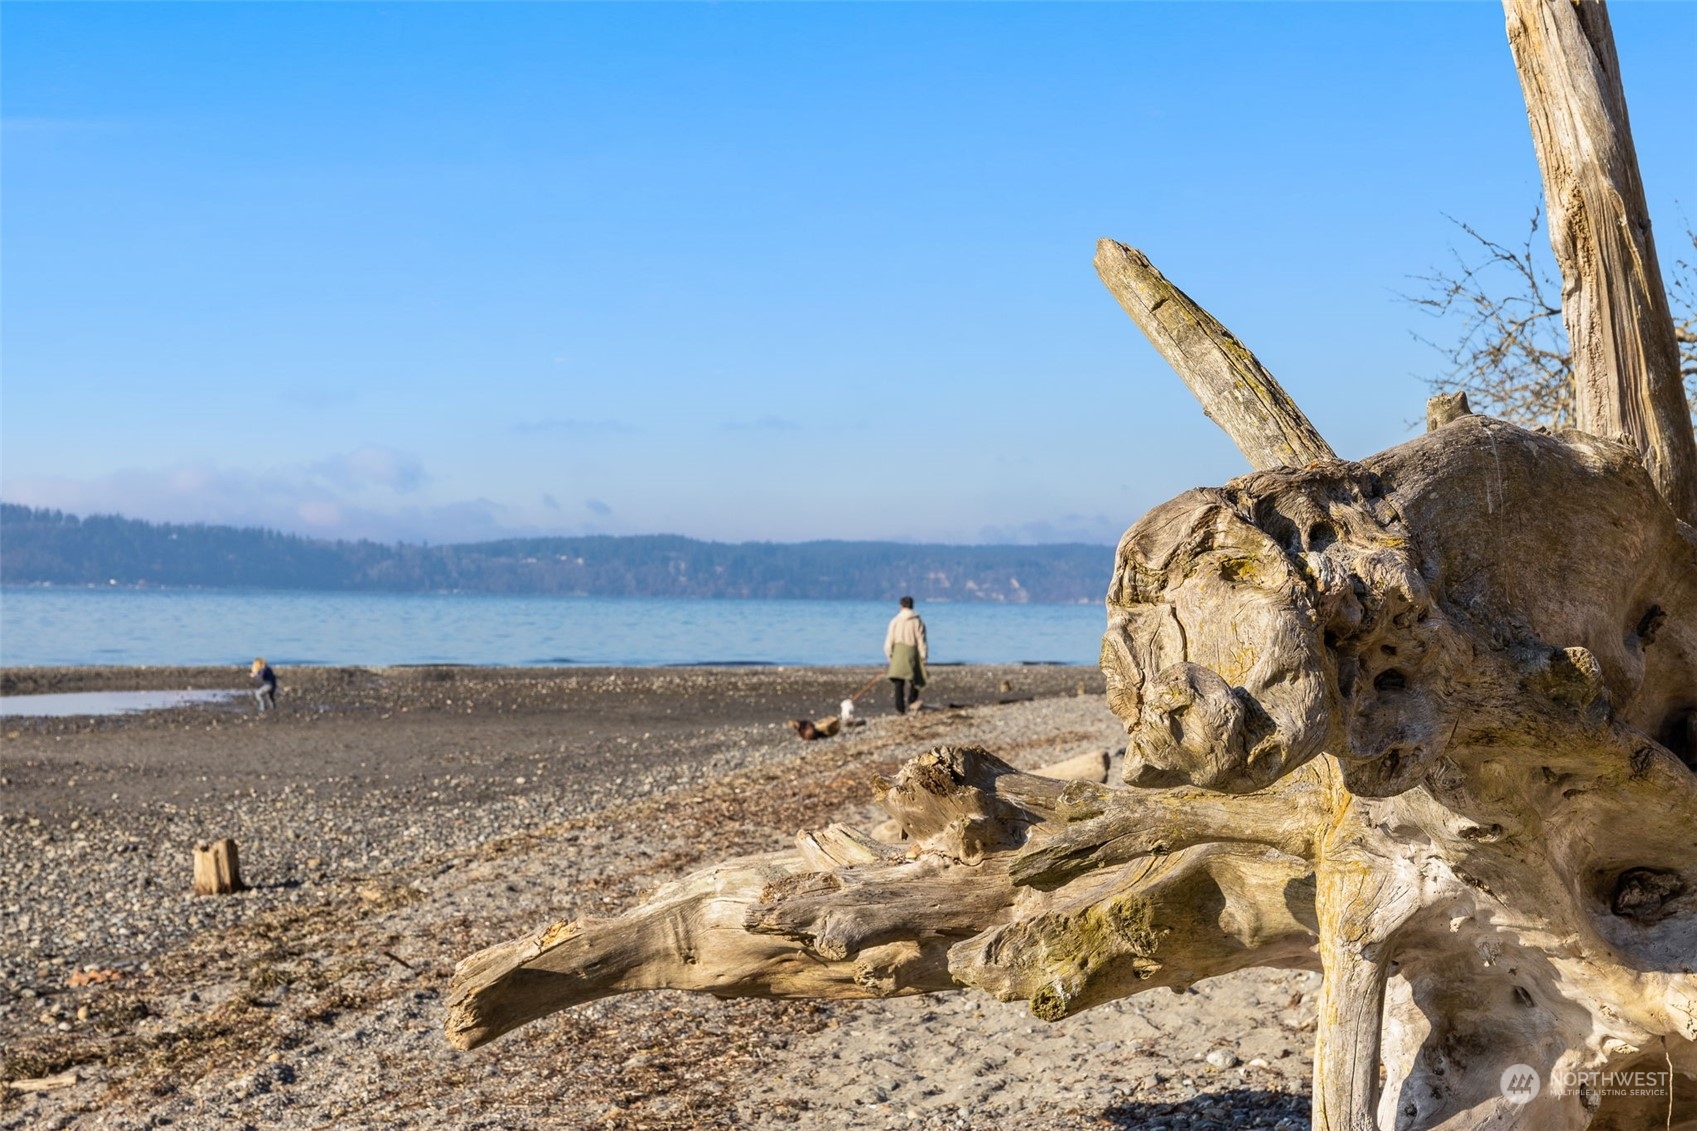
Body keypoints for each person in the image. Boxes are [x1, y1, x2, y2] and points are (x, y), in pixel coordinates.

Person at [883, 596, 928, 715]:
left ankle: (900, 708)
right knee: (916, 679)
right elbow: (921, 641)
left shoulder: (895, 621)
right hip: (912, 652)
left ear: (901, 606)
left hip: (898, 652)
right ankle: (912, 702)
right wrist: (924, 656)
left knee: (898, 682)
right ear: (912, 606)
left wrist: (889, 655)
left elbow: (889, 641)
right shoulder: (917, 621)